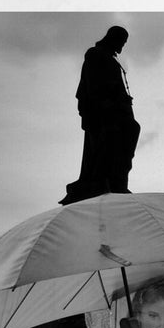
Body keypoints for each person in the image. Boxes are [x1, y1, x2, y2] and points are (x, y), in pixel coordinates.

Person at [61, 25, 141, 204]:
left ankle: (118, 178)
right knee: (116, 134)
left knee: (132, 129)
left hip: (116, 110)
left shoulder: (111, 58)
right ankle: (106, 178)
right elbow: (92, 86)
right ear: (113, 38)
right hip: (102, 111)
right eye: (121, 41)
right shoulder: (95, 54)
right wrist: (108, 104)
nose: (122, 46)